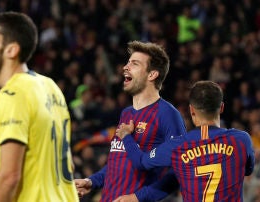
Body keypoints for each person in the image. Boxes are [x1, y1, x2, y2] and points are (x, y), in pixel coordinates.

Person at [0, 11, 78, 201]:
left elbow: (9, 177)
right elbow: (69, 164)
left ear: (11, 50)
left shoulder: (12, 94)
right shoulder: (50, 86)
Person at [75, 41, 187, 201]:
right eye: (128, 62)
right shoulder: (126, 113)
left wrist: (139, 197)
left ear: (152, 75)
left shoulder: (168, 114)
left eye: (134, 64)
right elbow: (117, 162)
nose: (125, 67)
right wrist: (91, 181)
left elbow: (179, 171)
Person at [115, 80, 255, 201]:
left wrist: (126, 136)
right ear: (222, 108)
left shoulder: (177, 146)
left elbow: (140, 162)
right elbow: (248, 170)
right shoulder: (242, 140)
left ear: (191, 110)